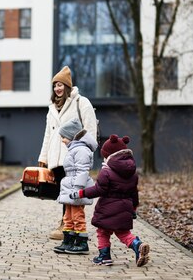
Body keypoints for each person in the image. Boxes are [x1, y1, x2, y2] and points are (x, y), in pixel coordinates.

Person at [69, 134, 151, 267]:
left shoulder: (106, 172)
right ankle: (137, 244)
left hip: (108, 207)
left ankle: (104, 256)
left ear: (109, 155)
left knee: (102, 231)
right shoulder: (133, 173)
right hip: (125, 208)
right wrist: (133, 209)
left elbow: (98, 190)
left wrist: (80, 193)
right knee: (123, 233)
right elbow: (134, 193)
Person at [38, 66, 97, 240]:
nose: (57, 88)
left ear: (67, 86)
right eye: (55, 85)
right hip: (56, 156)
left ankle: (69, 226)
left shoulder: (81, 102)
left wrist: (86, 152)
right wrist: (43, 157)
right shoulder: (51, 108)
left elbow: (90, 129)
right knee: (63, 191)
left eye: (60, 85)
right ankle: (67, 222)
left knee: (73, 191)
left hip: (74, 156)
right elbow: (48, 134)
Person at [53, 117, 97, 254]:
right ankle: (69, 240)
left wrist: (78, 189)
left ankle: (81, 243)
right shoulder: (74, 149)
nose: (62, 140)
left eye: (64, 137)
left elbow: (82, 171)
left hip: (76, 188)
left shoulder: (81, 150)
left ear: (72, 136)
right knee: (68, 216)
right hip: (70, 186)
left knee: (77, 216)